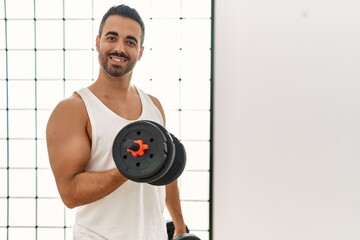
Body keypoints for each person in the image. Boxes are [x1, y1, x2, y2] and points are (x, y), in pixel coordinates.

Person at [46, 4, 187, 239]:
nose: (120, 48)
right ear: (98, 41)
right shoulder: (74, 109)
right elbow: (69, 193)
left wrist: (180, 226)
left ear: (140, 52)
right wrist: (132, 167)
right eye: (112, 38)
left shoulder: (154, 106)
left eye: (130, 42)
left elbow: (167, 172)